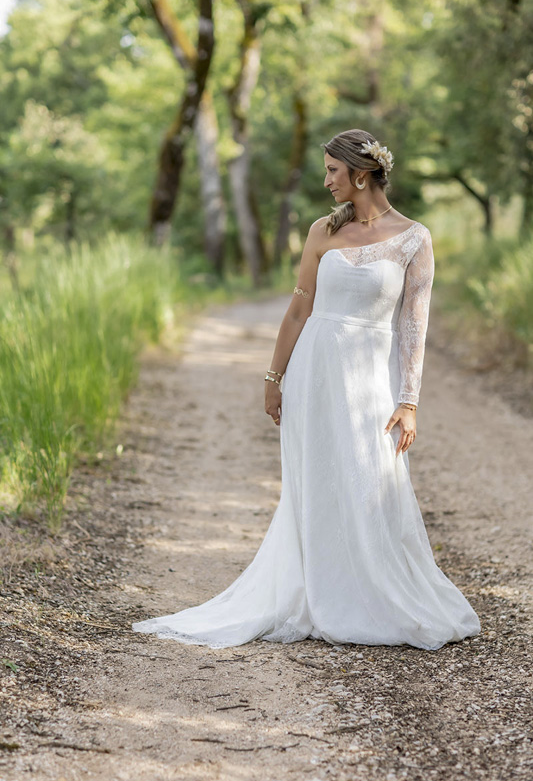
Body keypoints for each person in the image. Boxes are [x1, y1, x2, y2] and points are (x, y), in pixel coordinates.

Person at [132, 128, 481, 650]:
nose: (326, 182)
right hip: (315, 371)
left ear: (361, 174)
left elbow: (414, 327)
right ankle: (319, 590)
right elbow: (299, 309)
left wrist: (409, 401)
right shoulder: (322, 231)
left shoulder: (414, 238)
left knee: (370, 478)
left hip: (370, 380)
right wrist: (274, 378)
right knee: (316, 480)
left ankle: (373, 594)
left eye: (333, 172)